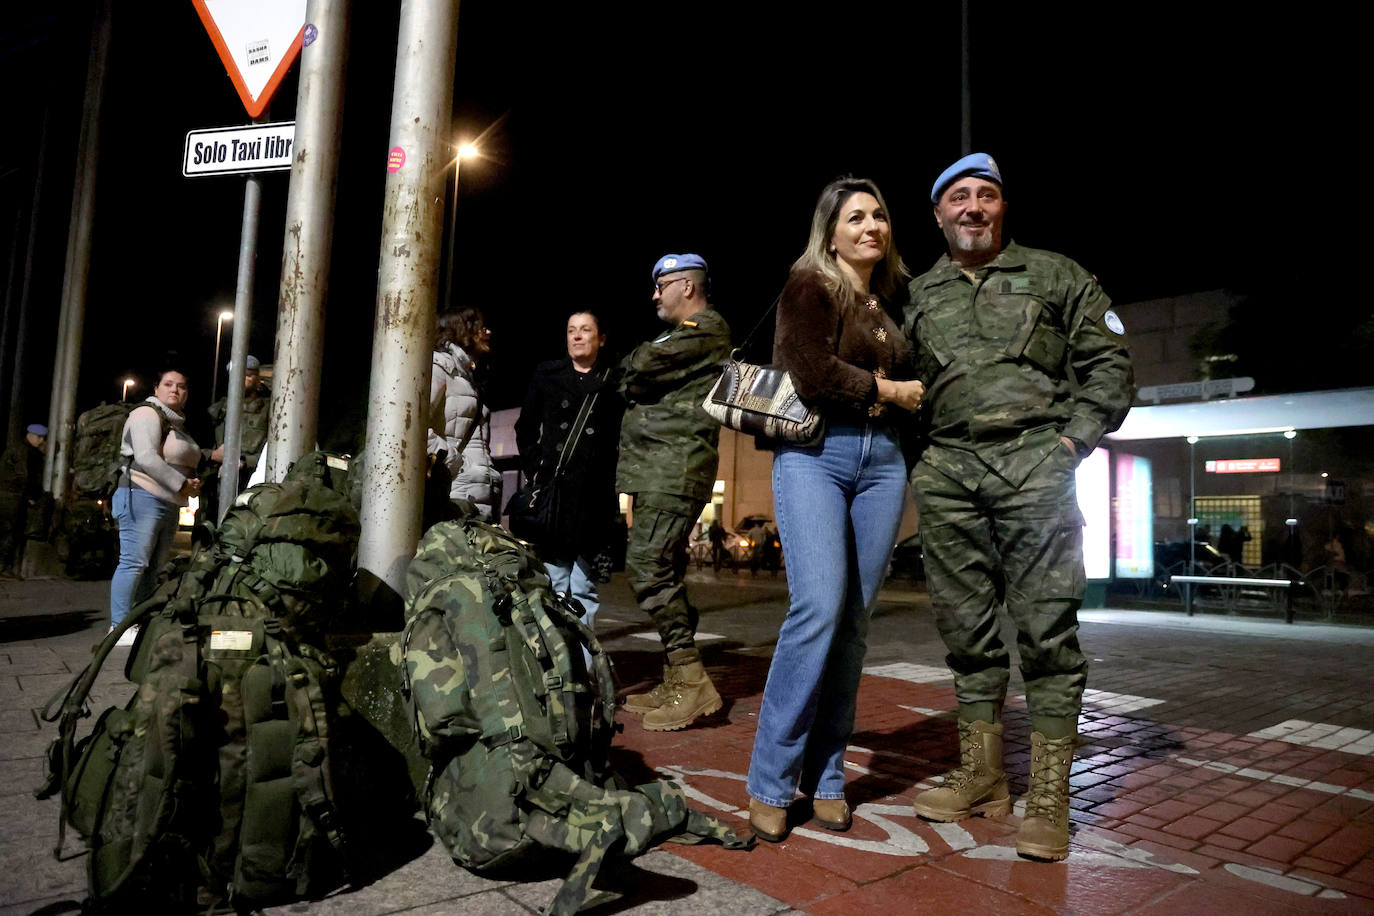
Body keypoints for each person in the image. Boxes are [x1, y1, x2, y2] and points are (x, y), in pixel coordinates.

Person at [905, 154, 1134, 861]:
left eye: (987, 196)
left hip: (1036, 463)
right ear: (939, 213)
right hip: (948, 471)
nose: (973, 207)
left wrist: (1072, 443)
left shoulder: (1057, 274)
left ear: (1002, 208)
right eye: (959, 198)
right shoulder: (917, 294)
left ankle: (1048, 799)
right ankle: (982, 776)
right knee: (965, 632)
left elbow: (1112, 364)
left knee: (1044, 630)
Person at [744, 178, 925, 842]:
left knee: (853, 625)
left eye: (880, 214)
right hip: (816, 456)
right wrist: (889, 389)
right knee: (817, 607)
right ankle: (769, 779)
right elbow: (806, 370)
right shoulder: (809, 287)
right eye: (856, 216)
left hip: (883, 464)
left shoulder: (891, 300)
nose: (872, 225)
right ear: (830, 232)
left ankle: (826, 775)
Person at [617, 253, 732, 731]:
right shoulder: (679, 335)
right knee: (666, 569)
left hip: (675, 466)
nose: (654, 294)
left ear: (686, 285)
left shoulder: (706, 328)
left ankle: (692, 679)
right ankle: (677, 674)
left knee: (646, 566)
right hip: (657, 467)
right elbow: (631, 376)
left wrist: (638, 367)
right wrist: (636, 371)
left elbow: (638, 365)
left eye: (660, 285)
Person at [514, 310, 624, 665]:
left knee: (584, 589)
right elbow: (525, 427)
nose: (577, 336)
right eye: (571, 330)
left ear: (600, 338)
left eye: (585, 330)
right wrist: (536, 471)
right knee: (555, 583)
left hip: (595, 500)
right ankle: (557, 667)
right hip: (556, 499)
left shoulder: (614, 380)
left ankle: (584, 672)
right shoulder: (548, 375)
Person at [110, 370, 207, 646]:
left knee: (152, 567)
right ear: (156, 388)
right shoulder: (146, 414)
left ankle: (138, 623)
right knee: (134, 561)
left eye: (182, 386)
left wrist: (188, 483)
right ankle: (118, 627)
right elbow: (146, 458)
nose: (175, 390)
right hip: (141, 494)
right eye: (169, 384)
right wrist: (182, 484)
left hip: (167, 501)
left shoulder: (175, 423)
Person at [428, 308, 501, 521]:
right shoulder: (440, 366)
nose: (488, 332)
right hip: (453, 494)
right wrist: (452, 464)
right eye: (481, 328)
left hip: (471, 496)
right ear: (462, 330)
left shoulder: (467, 378)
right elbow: (412, 427)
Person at [204, 355, 269, 519]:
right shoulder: (218, 410)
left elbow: (273, 449)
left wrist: (245, 462)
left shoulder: (269, 409)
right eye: (239, 375)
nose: (244, 379)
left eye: (249, 374)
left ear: (258, 377)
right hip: (219, 483)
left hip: (253, 481)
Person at [0, 424, 49, 578]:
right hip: (12, 497)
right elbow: (24, 475)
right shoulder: (23, 451)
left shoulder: (22, 450)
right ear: (31, 435)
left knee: (10, 531)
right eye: (39, 437)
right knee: (9, 531)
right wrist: (33, 496)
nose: (41, 441)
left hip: (12, 496)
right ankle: (2, 566)